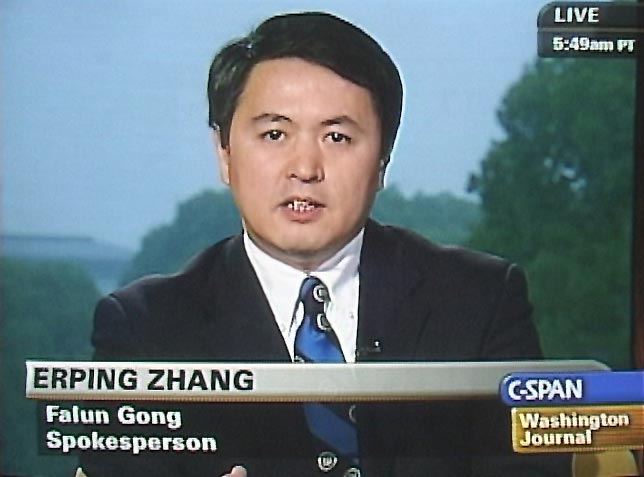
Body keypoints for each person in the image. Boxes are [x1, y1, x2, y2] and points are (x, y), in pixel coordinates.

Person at [79, 11, 570, 477]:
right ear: (224, 153)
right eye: (274, 134)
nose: (305, 169)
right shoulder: (145, 330)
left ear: (382, 161)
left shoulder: (480, 301)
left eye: (337, 138)